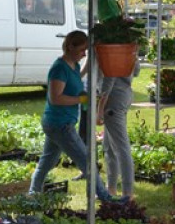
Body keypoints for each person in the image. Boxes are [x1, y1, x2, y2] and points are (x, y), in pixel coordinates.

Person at [29, 30, 121, 202]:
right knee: (87, 162)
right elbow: (55, 98)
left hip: (59, 123)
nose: (84, 54)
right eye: (82, 50)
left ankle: (32, 196)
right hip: (59, 124)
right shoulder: (59, 68)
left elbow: (75, 86)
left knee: (46, 163)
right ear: (70, 47)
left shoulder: (75, 66)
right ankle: (106, 198)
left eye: (86, 50)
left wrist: (91, 98)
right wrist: (83, 98)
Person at [99, 57, 139, 200]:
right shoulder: (130, 49)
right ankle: (111, 189)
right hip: (125, 94)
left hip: (113, 100)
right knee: (109, 146)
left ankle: (127, 193)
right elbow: (137, 72)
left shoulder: (112, 51)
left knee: (121, 147)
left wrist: (99, 110)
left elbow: (108, 82)